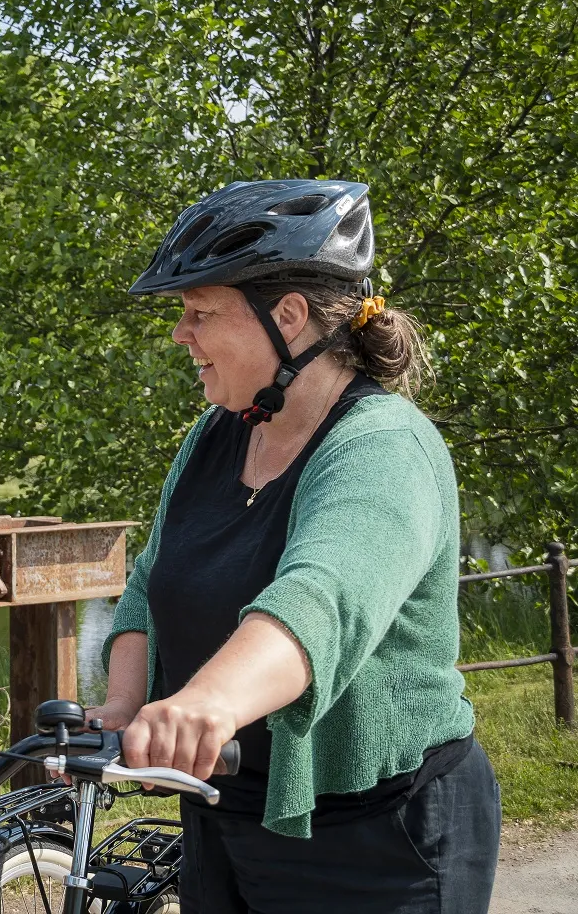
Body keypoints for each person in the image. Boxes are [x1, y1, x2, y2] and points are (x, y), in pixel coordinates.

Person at [93, 180, 500, 912]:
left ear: (289, 316)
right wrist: (126, 706)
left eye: (200, 312)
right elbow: (150, 580)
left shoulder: (383, 446)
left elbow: (321, 597)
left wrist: (207, 703)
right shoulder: (219, 433)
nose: (181, 333)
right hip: (225, 817)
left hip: (379, 836)